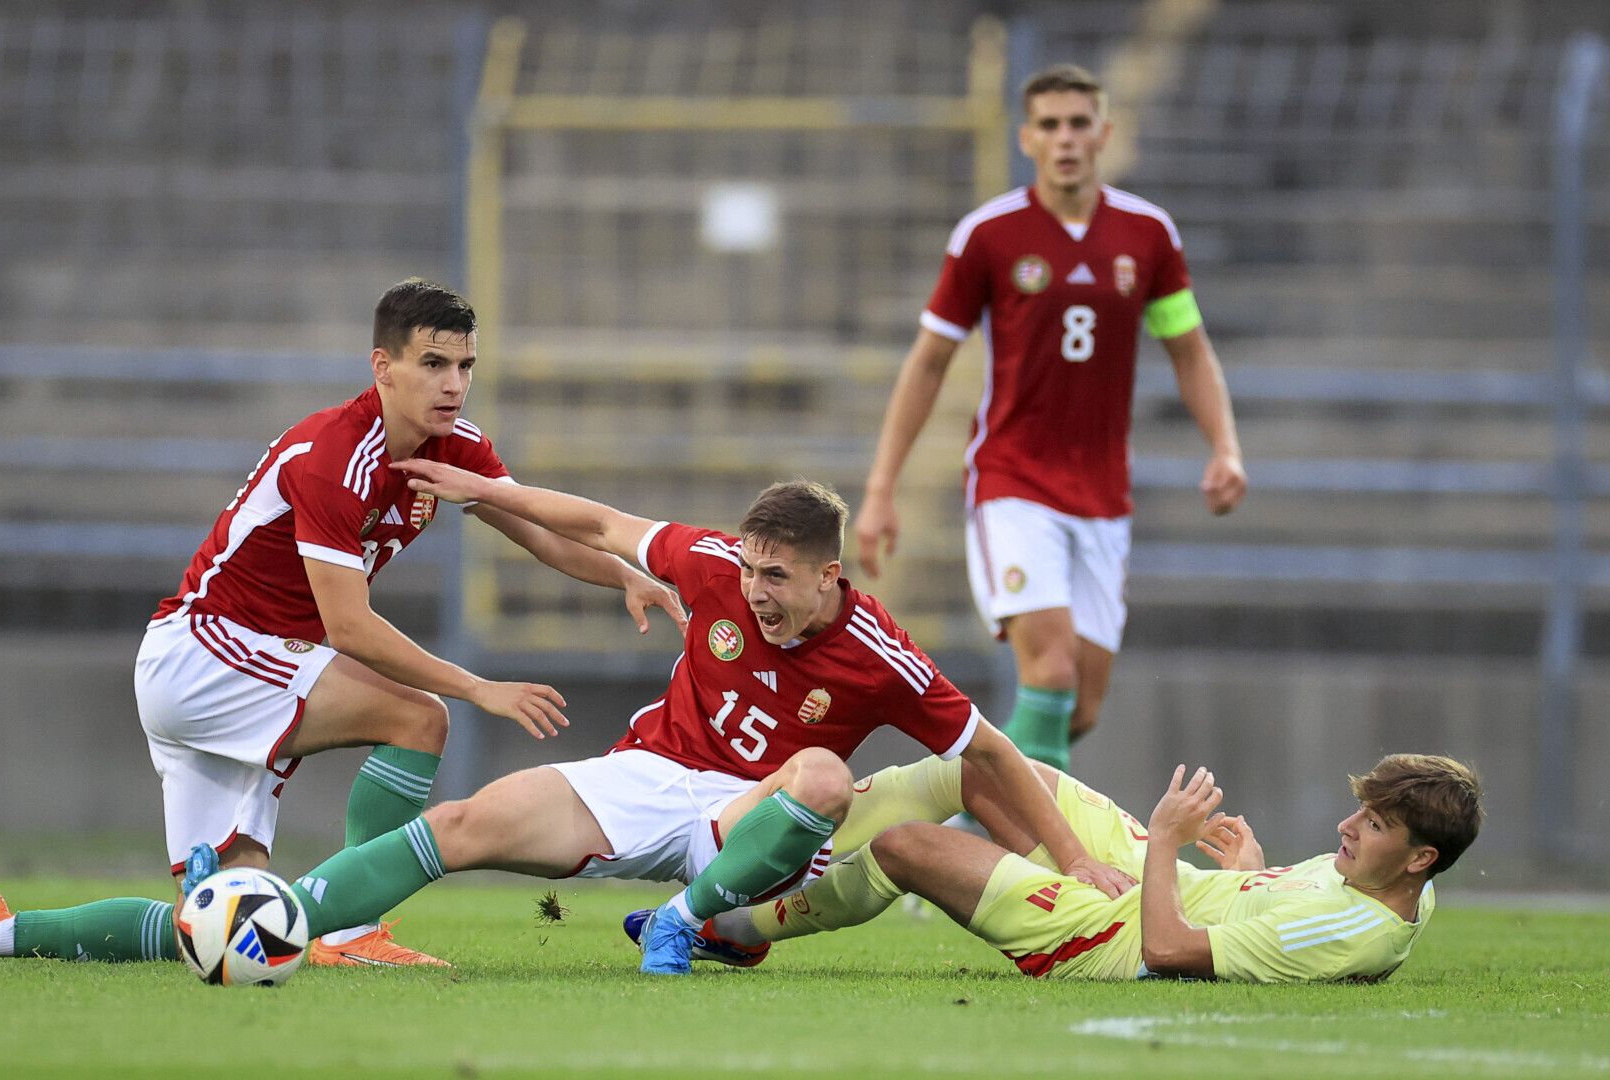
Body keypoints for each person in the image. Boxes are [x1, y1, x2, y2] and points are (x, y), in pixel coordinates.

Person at [0, 279, 686, 968]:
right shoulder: (334, 456)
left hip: (241, 663)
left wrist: (624, 575)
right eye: (433, 363)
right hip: (205, 653)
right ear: (384, 365)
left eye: (465, 365)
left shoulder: (457, 449)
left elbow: (535, 528)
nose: (453, 384)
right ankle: (360, 930)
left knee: (237, 927)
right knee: (420, 717)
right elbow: (347, 626)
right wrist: (479, 687)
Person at [153, 471, 1140, 976]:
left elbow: (991, 753)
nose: (755, 592)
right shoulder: (711, 564)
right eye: (750, 570)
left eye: (780, 579)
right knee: (461, 827)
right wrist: (487, 492)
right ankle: (271, 923)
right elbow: (596, 523)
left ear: (830, 577)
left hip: (759, 819)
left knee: (826, 783)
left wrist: (1069, 855)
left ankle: (685, 922)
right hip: (649, 773)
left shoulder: (882, 656)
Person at [854, 63, 1247, 772]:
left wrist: (1225, 446)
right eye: (1051, 126)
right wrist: (882, 488)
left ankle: (947, 837)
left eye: (1079, 124)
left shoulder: (1148, 236)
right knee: (1053, 671)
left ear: (1104, 132)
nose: (1066, 139)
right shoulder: (989, 235)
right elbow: (928, 363)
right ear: (1027, 138)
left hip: (1103, 497)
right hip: (1013, 482)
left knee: (1080, 709)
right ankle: (1032, 873)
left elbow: (1189, 350)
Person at [675, 752, 1482, 984]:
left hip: (1113, 938)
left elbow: (1168, 953)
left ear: (1417, 856)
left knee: (904, 851)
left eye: (1371, 824)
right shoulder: (1407, 881)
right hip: (1168, 885)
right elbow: (1274, 917)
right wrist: (1251, 870)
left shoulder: (1353, 929)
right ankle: (788, 831)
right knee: (991, 765)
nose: (1347, 827)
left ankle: (731, 925)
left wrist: (1164, 843)